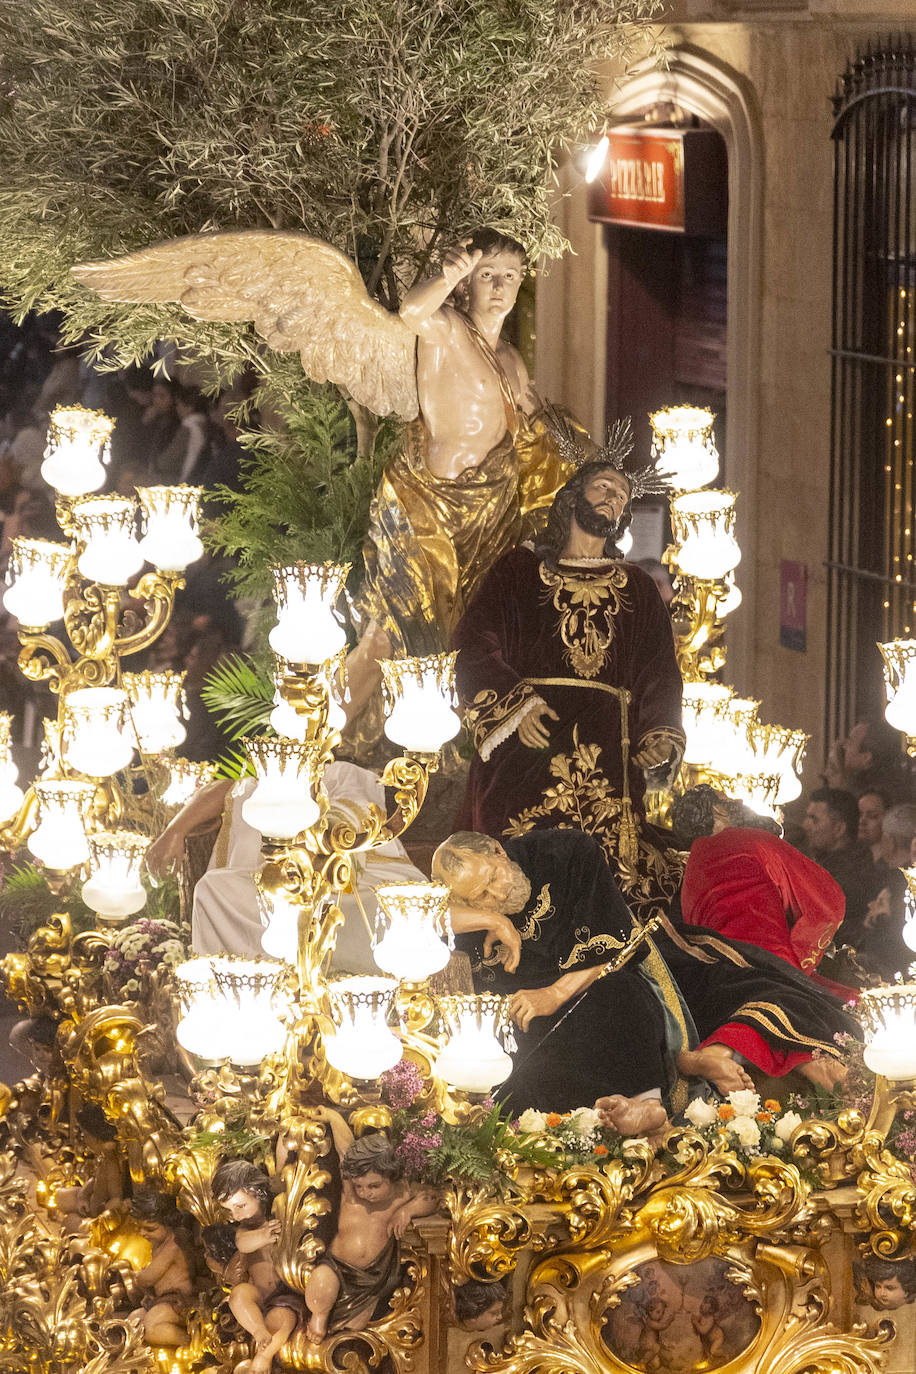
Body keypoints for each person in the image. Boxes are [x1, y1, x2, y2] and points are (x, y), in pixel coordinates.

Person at [434, 827, 859, 1100]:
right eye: (479, 898)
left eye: (492, 880)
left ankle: (693, 1060)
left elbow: (619, 948)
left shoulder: (563, 852)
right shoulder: (476, 915)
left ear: (496, 849)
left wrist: (555, 992)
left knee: (758, 990)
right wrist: (488, 920)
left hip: (634, 974)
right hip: (558, 1026)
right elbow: (413, 910)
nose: (496, 897)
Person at [345, 229, 575, 734]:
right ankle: (325, 735)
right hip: (430, 504)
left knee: (464, 636)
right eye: (487, 275)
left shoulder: (512, 361)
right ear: (467, 284)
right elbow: (411, 314)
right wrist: (446, 275)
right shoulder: (448, 329)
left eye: (509, 277)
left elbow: (534, 428)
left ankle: (436, 745)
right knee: (392, 629)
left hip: (490, 514)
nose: (498, 286)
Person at [452, 450, 684, 913]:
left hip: (607, 757)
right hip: (529, 746)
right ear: (573, 495)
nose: (612, 497)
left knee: (603, 878)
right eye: (603, 485)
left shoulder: (636, 586)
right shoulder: (518, 571)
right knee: (519, 866)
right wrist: (515, 706)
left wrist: (658, 732)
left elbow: (659, 669)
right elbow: (473, 643)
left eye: (621, 495)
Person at [147, 761, 426, 970]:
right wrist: (175, 830)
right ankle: (238, 986)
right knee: (214, 888)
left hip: (347, 885)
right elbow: (231, 790)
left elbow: (353, 823)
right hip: (275, 883)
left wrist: (316, 840)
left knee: (400, 908)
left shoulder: (345, 773)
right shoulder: (278, 774)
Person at [303, 1113, 439, 1343]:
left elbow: (432, 1197)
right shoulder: (351, 1195)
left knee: (355, 1329)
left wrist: (407, 1211)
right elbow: (344, 1149)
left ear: (392, 1177)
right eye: (360, 1186)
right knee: (320, 1289)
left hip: (374, 1278)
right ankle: (319, 1318)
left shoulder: (402, 1194)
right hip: (338, 1267)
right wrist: (333, 1116)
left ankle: (361, 1310)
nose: (365, 1192)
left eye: (374, 1186)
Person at [210, 1159, 305, 1370]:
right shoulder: (247, 1230)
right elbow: (243, 1243)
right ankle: (258, 1331)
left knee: (283, 1319)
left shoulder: (281, 1216)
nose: (236, 1216)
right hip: (259, 1296)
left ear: (258, 1192)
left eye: (240, 1206)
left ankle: (264, 1356)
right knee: (238, 1294)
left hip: (285, 1296)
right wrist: (263, 1236)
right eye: (230, 1211)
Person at [802, 786, 880, 945]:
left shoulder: (848, 877)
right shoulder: (828, 866)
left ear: (839, 828)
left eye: (814, 819)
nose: (806, 825)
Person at [128, 1192, 194, 1347]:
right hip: (161, 1300)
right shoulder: (159, 1242)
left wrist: (138, 1275)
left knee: (152, 1326)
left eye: (150, 1229)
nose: (143, 1233)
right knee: (133, 1321)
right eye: (140, 1228)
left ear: (168, 1224)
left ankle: (189, 1346)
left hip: (179, 1303)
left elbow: (148, 1278)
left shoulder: (173, 1245)